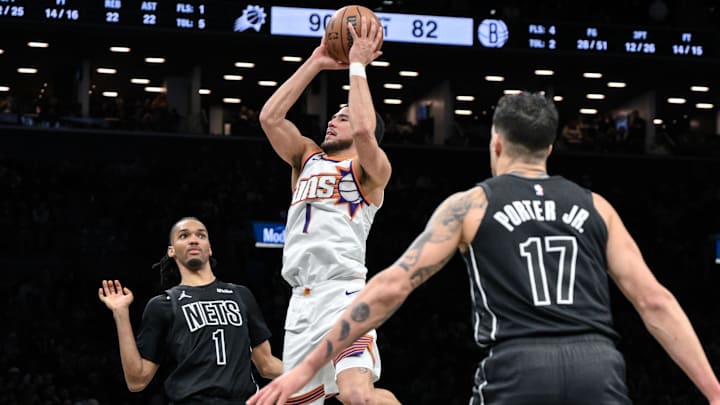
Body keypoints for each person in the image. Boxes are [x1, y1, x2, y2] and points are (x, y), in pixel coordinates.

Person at [248, 91, 720, 405]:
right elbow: (654, 300)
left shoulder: (472, 204)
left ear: (495, 144)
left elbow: (392, 286)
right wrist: (715, 391)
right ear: (551, 149)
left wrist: (308, 363)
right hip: (597, 362)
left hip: (517, 363)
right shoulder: (597, 206)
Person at [257, 15, 399, 405]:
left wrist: (358, 65)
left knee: (356, 394)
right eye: (334, 114)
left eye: (344, 116)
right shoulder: (306, 158)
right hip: (301, 303)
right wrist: (318, 59)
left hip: (345, 293)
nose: (334, 120)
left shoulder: (371, 172)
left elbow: (367, 132)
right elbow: (270, 118)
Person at [99, 216, 282, 404]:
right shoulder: (163, 305)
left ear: (209, 248)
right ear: (172, 251)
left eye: (201, 235)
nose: (194, 239)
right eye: (184, 235)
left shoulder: (241, 295)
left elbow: (266, 364)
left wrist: (310, 370)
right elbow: (136, 380)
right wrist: (120, 313)